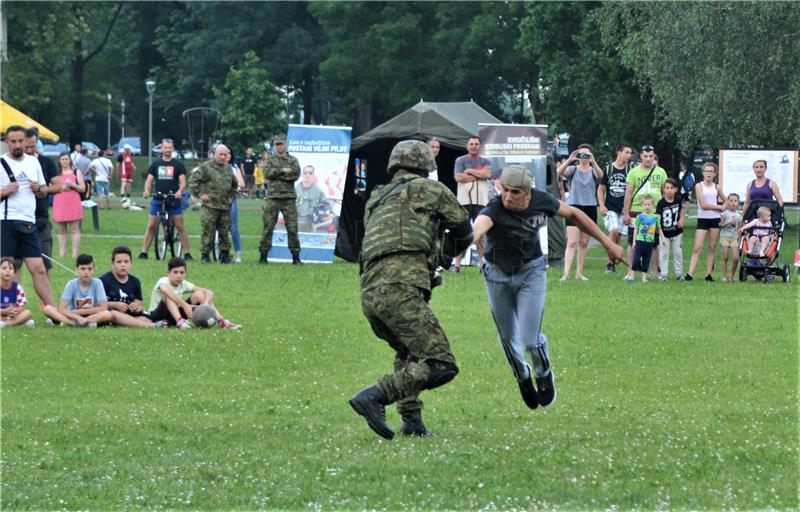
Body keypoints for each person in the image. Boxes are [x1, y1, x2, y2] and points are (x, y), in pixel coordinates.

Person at [471, 165, 624, 410]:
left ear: (528, 193)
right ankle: (522, 376)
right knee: (508, 338)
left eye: (515, 192)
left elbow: (575, 214)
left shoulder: (541, 200)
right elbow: (478, 227)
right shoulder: (495, 207)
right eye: (505, 191)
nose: (508, 197)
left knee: (531, 340)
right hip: (497, 275)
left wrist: (607, 243)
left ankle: (543, 373)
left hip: (531, 272)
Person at [349, 140, 473, 440]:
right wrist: (443, 258)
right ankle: (376, 395)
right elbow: (463, 230)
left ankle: (412, 422)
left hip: (369, 292)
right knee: (441, 364)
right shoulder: (432, 190)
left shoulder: (377, 198)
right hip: (402, 288)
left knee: (408, 351)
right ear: (427, 166)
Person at [0, 125, 56, 307]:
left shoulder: (33, 162)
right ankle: (8, 309)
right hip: (5, 221)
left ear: (27, 141)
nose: (18, 145)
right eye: (13, 141)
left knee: (38, 269)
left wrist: (39, 189)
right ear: (7, 142)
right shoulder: (1, 162)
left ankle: (53, 313)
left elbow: (43, 191)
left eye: (21, 141)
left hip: (28, 222)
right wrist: (6, 191)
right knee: (6, 269)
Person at [147, 256, 240, 330]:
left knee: (199, 294)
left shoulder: (184, 284)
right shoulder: (163, 280)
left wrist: (206, 305)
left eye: (182, 273)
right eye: (175, 272)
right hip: (157, 317)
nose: (179, 276)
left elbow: (209, 292)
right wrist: (184, 305)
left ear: (185, 274)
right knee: (168, 296)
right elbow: (164, 290)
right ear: (168, 273)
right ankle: (180, 322)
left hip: (172, 318)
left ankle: (221, 321)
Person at [622, 145, 669, 282]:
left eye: (651, 156)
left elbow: (664, 191)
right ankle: (631, 271)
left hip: (654, 213)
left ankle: (655, 272)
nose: (648, 159)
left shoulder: (661, 172)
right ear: (641, 156)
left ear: (654, 156)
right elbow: (628, 193)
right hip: (636, 211)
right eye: (645, 156)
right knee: (633, 242)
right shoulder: (633, 172)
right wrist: (626, 213)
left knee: (654, 244)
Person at [140, 139, 192, 260]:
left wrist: (179, 192)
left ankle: (187, 253)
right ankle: (144, 252)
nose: (167, 150)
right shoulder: (155, 165)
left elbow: (183, 182)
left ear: (172, 149)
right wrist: (147, 191)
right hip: (158, 198)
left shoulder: (178, 165)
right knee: (151, 226)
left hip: (174, 199)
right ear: (162, 149)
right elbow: (149, 180)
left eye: (169, 147)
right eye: (165, 147)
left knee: (180, 226)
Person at [557, 144, 603, 281]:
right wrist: (570, 159)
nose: (584, 158)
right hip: (573, 207)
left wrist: (593, 162)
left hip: (589, 207)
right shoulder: (573, 169)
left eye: (586, 155)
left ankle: (579, 273)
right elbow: (559, 171)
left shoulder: (593, 170)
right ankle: (566, 274)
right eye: (582, 155)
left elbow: (601, 175)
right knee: (571, 242)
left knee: (584, 242)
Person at [189, 144, 237, 264]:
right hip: (210, 206)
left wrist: (231, 196)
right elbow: (193, 181)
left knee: (225, 232)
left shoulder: (228, 168)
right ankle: (205, 255)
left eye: (225, 155)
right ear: (215, 154)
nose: (222, 157)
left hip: (225, 206)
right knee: (208, 231)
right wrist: (200, 195)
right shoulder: (206, 167)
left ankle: (225, 255)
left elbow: (234, 185)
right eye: (220, 154)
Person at [22, 128, 60, 276]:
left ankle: (45, 300)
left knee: (44, 265)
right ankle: (11, 299)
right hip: (17, 220)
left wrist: (42, 189)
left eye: (34, 146)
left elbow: (59, 186)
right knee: (12, 265)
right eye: (27, 147)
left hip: (41, 218)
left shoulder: (46, 162)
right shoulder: (10, 163)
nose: (31, 150)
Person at [259, 135, 302, 265]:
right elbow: (267, 174)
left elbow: (295, 174)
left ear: (286, 144)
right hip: (273, 198)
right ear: (274, 146)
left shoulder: (293, 160)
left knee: (292, 228)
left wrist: (277, 173)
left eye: (281, 144)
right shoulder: (270, 160)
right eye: (277, 144)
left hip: (288, 198)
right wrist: (283, 170)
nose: (280, 146)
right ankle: (263, 256)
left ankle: (295, 256)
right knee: (268, 227)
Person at [453, 136, 492, 271]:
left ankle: (482, 263)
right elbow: (458, 177)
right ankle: (457, 265)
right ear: (467, 146)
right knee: (461, 232)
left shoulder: (485, 161)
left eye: (476, 144)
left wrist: (469, 171)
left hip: (481, 201)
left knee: (481, 234)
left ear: (480, 146)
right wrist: (478, 174)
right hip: (464, 201)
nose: (474, 146)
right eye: (471, 144)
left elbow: (487, 174)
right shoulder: (460, 160)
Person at [42, 253, 114, 328]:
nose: (86, 272)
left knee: (108, 314)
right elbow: (62, 308)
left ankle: (81, 322)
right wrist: (78, 317)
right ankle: (74, 323)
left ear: (94, 270)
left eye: (89, 269)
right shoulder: (71, 284)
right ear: (76, 270)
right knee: (47, 309)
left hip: (91, 314)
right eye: (83, 269)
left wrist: (80, 312)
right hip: (72, 315)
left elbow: (103, 307)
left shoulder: (97, 283)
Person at [100, 246, 158, 328]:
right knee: (114, 314)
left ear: (131, 264)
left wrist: (137, 307)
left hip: (130, 314)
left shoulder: (135, 281)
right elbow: (98, 304)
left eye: (126, 262)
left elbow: (139, 303)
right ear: (113, 264)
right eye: (119, 262)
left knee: (146, 319)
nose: (123, 265)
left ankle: (146, 323)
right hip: (111, 314)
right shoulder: (103, 280)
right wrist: (114, 305)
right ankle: (151, 326)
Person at [686, 162, 726, 281]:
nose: (709, 173)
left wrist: (724, 206)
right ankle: (690, 273)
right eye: (706, 171)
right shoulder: (699, 186)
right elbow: (703, 205)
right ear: (703, 173)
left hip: (714, 219)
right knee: (697, 247)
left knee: (712, 247)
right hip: (703, 219)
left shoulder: (716, 187)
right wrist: (719, 207)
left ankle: (709, 274)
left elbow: (726, 200)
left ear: (714, 174)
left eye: (711, 171)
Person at [598, 142, 632, 273]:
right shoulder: (608, 169)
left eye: (630, 153)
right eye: (626, 152)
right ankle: (609, 262)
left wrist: (628, 210)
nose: (628, 155)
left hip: (624, 209)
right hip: (610, 208)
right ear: (619, 152)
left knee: (618, 238)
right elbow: (600, 189)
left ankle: (611, 264)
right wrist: (601, 205)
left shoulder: (630, 170)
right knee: (614, 231)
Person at [52, 151, 85, 259]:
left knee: (74, 228)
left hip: (73, 201)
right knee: (61, 228)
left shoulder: (76, 172)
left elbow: (82, 188)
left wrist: (73, 185)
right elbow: (50, 187)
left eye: (66, 159)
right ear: (59, 161)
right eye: (62, 159)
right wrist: (61, 187)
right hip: (60, 201)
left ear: (70, 160)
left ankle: (74, 254)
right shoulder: (56, 174)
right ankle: (62, 253)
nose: (65, 161)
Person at [656, 178, 685, 281]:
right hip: (665, 233)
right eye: (667, 188)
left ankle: (679, 274)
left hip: (677, 232)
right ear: (663, 189)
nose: (669, 190)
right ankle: (664, 274)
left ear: (676, 189)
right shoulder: (661, 203)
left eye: (671, 188)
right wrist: (661, 235)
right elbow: (658, 220)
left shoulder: (677, 200)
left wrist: (682, 219)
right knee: (664, 253)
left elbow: (680, 212)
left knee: (678, 253)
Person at [631, 195, 660, 283]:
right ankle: (631, 276)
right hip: (640, 241)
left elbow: (658, 229)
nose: (647, 206)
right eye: (645, 205)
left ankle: (644, 278)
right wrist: (634, 241)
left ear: (652, 206)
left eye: (649, 205)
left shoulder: (655, 218)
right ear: (642, 206)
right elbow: (636, 228)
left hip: (649, 242)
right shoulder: (639, 217)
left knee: (646, 260)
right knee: (636, 259)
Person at [296, 165, 332, 232]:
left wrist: (329, 214)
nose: (307, 175)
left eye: (310, 173)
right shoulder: (294, 190)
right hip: (295, 224)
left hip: (311, 225)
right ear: (302, 175)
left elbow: (327, 206)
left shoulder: (318, 191)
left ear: (313, 175)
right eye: (305, 173)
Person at [0, 257, 35, 328]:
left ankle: (5, 324)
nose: (8, 271)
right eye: (4, 268)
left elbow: (21, 307)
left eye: (11, 268)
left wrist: (15, 311)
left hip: (13, 316)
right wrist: (5, 311)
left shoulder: (17, 288)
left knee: (28, 313)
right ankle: (19, 323)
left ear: (14, 273)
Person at [719, 193, 743, 281]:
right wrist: (728, 222)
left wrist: (739, 241)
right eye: (731, 201)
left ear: (738, 203)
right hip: (725, 237)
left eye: (735, 201)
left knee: (736, 258)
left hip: (734, 238)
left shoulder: (739, 216)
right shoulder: (724, 214)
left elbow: (740, 229)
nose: (733, 203)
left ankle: (732, 275)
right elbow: (720, 225)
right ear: (727, 202)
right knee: (725, 257)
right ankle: (724, 276)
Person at [228, 150, 245, 263]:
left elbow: (242, 183)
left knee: (234, 228)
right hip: (217, 200)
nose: (226, 156)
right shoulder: (212, 167)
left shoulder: (234, 168)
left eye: (228, 153)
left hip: (231, 199)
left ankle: (238, 254)